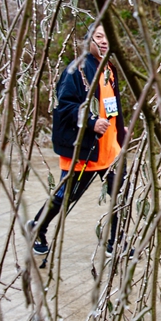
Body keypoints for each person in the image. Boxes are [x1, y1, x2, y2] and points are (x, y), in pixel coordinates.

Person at [27, 23, 127, 257]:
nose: (104, 42)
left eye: (107, 38)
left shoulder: (109, 69)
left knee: (122, 193)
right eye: (98, 37)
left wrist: (121, 130)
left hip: (110, 149)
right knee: (65, 196)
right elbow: (65, 107)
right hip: (86, 150)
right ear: (88, 39)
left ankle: (116, 242)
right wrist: (91, 122)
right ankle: (37, 228)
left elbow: (112, 107)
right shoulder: (77, 69)